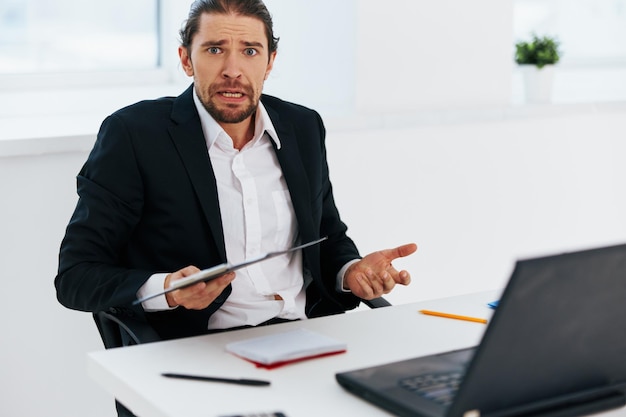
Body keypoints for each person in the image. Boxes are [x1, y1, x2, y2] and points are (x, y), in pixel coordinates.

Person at [56, 0, 416, 347]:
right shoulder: (134, 135)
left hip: (306, 338)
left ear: (270, 61)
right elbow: (77, 276)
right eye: (214, 50)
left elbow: (327, 238)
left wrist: (351, 272)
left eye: (250, 50)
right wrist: (166, 289)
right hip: (198, 349)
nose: (233, 69)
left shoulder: (302, 126)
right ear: (186, 59)